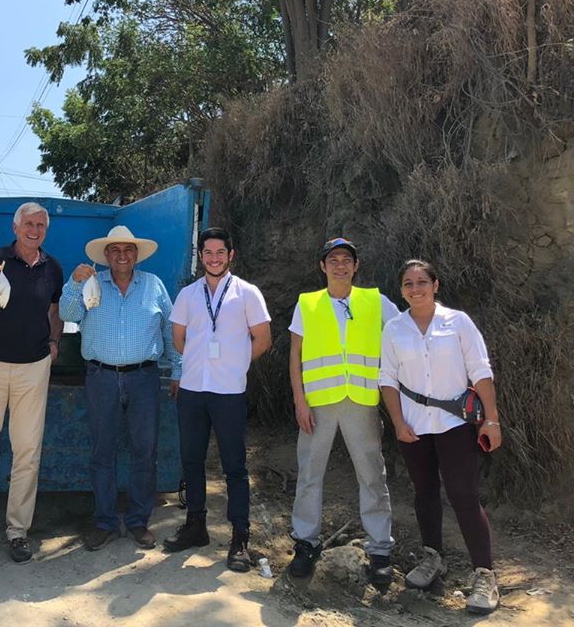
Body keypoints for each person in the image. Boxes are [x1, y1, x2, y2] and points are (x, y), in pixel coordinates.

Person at [379, 259, 501, 614]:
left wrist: (491, 420)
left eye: (422, 282)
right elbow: (387, 378)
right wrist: (398, 422)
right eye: (408, 283)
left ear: (435, 285)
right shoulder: (395, 328)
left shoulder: (458, 322)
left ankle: (485, 575)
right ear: (401, 290)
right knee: (425, 492)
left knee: (464, 496)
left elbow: (480, 371)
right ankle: (433, 557)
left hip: (454, 425)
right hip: (414, 425)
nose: (415, 289)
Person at [59, 225, 181, 552]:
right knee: (103, 452)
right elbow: (67, 314)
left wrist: (178, 369)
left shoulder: (153, 285)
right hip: (101, 378)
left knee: (145, 451)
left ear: (136, 254)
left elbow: (169, 330)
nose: (122, 256)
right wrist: (73, 283)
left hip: (144, 379)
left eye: (128, 250)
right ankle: (105, 522)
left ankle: (139, 521)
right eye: (116, 250)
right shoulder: (91, 283)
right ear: (106, 255)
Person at [288, 237, 399, 585]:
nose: (340, 265)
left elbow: (402, 336)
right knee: (310, 473)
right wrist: (299, 401)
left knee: (372, 474)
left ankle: (380, 550)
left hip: (361, 402)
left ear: (356, 266)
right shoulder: (307, 303)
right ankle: (305, 543)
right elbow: (295, 355)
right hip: (318, 404)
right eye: (333, 260)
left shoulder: (376, 302)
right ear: (323, 266)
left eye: (346, 260)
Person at [0, 202, 64, 566]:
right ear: (15, 227)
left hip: (33, 368)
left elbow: (54, 311)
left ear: (46, 231)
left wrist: (54, 342)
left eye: (40, 225)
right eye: (28, 224)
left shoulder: (53, 268)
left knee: (27, 452)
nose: (34, 230)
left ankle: (18, 531)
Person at [163, 227, 272, 572]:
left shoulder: (247, 293)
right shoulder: (187, 295)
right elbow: (178, 339)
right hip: (193, 390)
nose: (214, 258)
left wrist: (235, 365)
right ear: (200, 256)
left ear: (230, 255)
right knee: (192, 461)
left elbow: (263, 338)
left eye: (220, 252)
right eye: (207, 252)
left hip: (229, 393)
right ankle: (196, 526)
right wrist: (201, 362)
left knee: (235, 467)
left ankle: (240, 538)